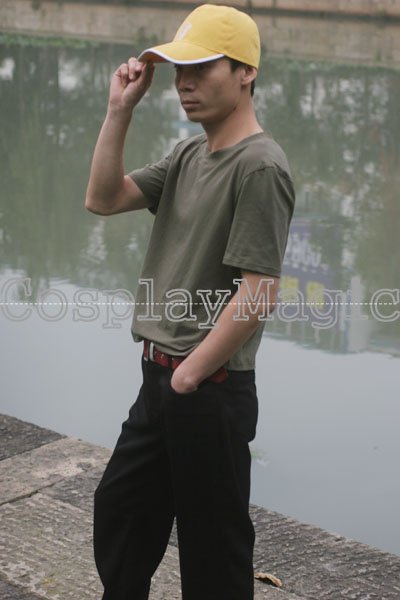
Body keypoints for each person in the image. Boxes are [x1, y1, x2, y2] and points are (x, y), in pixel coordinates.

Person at [85, 4, 295, 600]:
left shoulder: (260, 166)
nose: (184, 82)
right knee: (121, 515)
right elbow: (104, 198)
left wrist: (189, 375)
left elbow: (259, 290)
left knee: (212, 555)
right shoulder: (187, 156)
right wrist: (119, 111)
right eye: (180, 69)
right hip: (159, 379)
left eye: (202, 68)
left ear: (246, 72)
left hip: (207, 388)